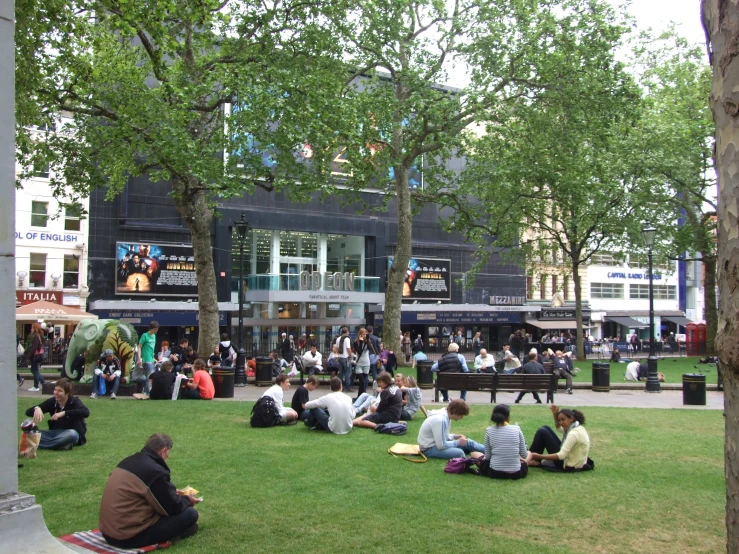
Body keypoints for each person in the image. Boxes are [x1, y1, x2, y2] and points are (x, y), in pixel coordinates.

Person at [99, 434, 200, 549]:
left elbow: (143, 492)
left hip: (108, 532)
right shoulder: (154, 471)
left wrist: (169, 491)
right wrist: (188, 499)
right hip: (127, 537)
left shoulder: (128, 461)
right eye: (168, 453)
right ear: (164, 450)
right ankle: (178, 533)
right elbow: (171, 508)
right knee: (190, 514)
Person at [25, 378, 89, 450]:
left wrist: (63, 413)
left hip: (71, 433)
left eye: (60, 391)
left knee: (72, 434)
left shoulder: (74, 401)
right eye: (55, 390)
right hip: (55, 433)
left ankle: (40, 445)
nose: (56, 393)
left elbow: (85, 412)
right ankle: (61, 445)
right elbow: (28, 412)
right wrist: (37, 408)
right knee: (30, 434)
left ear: (67, 393)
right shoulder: (52, 401)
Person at [526, 405, 592, 471]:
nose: (561, 423)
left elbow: (561, 455)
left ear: (571, 419)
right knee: (545, 428)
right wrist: (555, 414)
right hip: (574, 461)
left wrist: (538, 456)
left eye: (563, 420)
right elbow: (559, 429)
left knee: (542, 431)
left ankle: (530, 458)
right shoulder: (578, 427)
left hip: (568, 464)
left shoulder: (573, 434)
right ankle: (534, 460)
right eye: (559, 420)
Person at [417, 399, 484, 459]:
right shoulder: (441, 420)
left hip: (436, 444)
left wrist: (455, 436)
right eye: (461, 415)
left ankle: (489, 450)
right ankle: (473, 459)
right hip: (429, 448)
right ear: (456, 412)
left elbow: (444, 436)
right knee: (459, 453)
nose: (461, 417)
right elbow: (441, 445)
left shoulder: (447, 416)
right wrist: (458, 442)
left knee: (468, 442)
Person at [480, 404, 529, 480]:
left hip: (495, 472)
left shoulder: (489, 431)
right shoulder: (517, 429)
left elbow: (488, 457)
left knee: (476, 455)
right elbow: (524, 455)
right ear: (508, 417)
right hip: (516, 473)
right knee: (529, 455)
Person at [133, 321, 159, 394]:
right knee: (150, 377)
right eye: (155, 329)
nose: (157, 330)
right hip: (146, 360)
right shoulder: (144, 335)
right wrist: (139, 358)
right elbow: (139, 347)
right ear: (152, 329)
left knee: (148, 377)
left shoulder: (154, 336)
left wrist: (153, 358)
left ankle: (146, 392)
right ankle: (148, 393)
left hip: (151, 359)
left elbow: (151, 349)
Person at [26, 322, 46, 391]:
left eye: (32, 328)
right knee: (35, 370)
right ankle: (43, 382)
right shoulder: (40, 335)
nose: (31, 329)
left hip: (35, 356)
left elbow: (34, 348)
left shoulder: (35, 336)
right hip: (39, 355)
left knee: (35, 370)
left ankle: (36, 386)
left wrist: (29, 357)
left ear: (35, 328)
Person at [353, 328, 371, 395]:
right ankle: (364, 394)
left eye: (365, 334)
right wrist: (360, 342)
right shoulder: (356, 342)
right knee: (362, 381)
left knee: (363, 382)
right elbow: (359, 351)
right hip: (359, 364)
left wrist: (368, 340)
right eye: (363, 334)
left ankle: (359, 396)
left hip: (366, 363)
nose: (364, 336)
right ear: (360, 335)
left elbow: (369, 348)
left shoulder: (367, 342)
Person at [336, 327, 353, 392]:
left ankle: (340, 386)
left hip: (340, 358)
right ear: (347, 332)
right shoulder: (347, 339)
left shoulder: (338, 339)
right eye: (348, 332)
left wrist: (337, 356)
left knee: (341, 373)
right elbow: (348, 348)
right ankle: (347, 387)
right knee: (347, 373)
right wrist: (350, 355)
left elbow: (336, 348)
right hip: (346, 358)